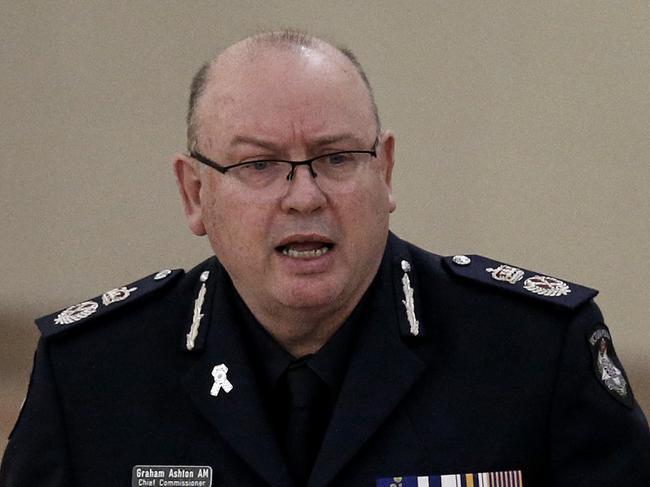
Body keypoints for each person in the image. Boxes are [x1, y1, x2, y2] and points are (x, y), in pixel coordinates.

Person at [1, 30, 648, 487]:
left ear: (386, 171)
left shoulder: (532, 352)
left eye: (337, 158)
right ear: (195, 194)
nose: (304, 196)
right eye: (259, 165)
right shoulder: (93, 377)